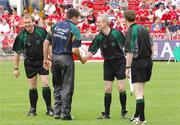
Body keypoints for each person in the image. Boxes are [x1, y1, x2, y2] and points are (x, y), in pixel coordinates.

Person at [43, 8, 86, 120]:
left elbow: (46, 42)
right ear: (74, 17)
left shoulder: (56, 25)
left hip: (55, 58)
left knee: (57, 86)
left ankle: (56, 112)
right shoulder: (74, 29)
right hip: (66, 58)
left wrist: (45, 58)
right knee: (67, 87)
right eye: (78, 18)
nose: (78, 21)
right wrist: (82, 59)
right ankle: (65, 114)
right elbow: (75, 50)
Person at [85, 14, 128, 119]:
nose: (97, 24)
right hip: (108, 63)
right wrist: (84, 59)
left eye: (99, 22)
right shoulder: (99, 37)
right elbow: (92, 50)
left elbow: (126, 46)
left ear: (105, 23)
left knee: (121, 88)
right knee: (107, 89)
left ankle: (123, 110)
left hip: (120, 62)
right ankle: (107, 114)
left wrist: (130, 62)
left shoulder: (116, 33)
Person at [13, 14, 53, 116]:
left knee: (45, 83)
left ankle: (49, 108)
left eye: (29, 22)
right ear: (23, 23)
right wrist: (16, 68)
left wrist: (50, 58)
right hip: (29, 63)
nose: (27, 24)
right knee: (32, 86)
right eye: (25, 23)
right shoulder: (21, 36)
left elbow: (48, 44)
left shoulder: (41, 31)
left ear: (33, 22)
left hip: (42, 61)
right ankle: (33, 109)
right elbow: (17, 52)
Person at [123, 10, 153, 125]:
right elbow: (152, 47)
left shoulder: (130, 31)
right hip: (148, 62)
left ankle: (142, 119)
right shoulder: (144, 29)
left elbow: (129, 52)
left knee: (138, 91)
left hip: (138, 63)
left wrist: (127, 68)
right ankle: (137, 115)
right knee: (140, 90)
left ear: (125, 19)